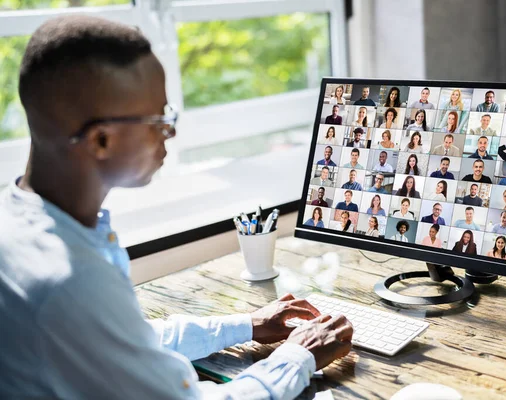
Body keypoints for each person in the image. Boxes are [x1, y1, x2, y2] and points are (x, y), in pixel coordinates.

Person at [0, 16, 354, 399]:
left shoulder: (19, 224)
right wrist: (300, 354)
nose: (171, 132)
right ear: (101, 140)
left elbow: (124, 341)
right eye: (160, 120)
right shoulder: (71, 281)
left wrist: (246, 325)